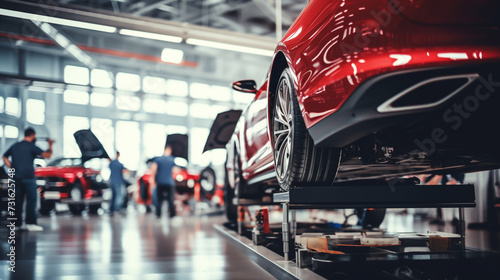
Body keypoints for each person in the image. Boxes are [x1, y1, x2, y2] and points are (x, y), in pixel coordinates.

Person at [2, 127, 54, 231]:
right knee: (31, 200)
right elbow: (47, 155)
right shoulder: (31, 146)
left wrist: (11, 167)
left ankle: (17, 225)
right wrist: (50, 144)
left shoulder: (16, 146)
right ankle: (30, 223)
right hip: (28, 177)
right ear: (32, 135)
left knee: (17, 200)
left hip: (16, 177)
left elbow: (4, 157)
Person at [149, 144, 180, 219]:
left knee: (159, 200)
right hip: (169, 182)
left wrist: (152, 179)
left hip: (160, 182)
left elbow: (153, 169)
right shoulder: (172, 159)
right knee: (170, 199)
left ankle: (158, 215)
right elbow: (175, 170)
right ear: (169, 151)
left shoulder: (158, 159)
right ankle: (172, 215)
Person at [108, 151, 128, 215]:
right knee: (119, 196)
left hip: (112, 182)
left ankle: (112, 209)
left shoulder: (111, 163)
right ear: (118, 155)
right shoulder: (120, 164)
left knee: (113, 196)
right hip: (119, 182)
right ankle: (116, 209)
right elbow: (125, 172)